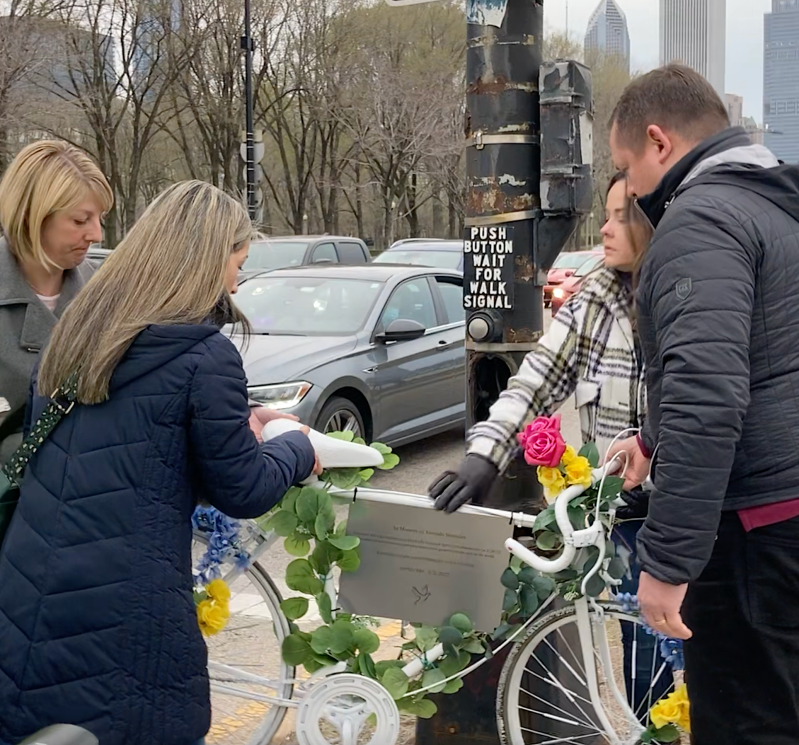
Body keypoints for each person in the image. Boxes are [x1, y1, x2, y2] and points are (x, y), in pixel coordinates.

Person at [0, 180, 321, 745]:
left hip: (30, 597)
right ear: (204, 261)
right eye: (236, 263)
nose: (237, 280)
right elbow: (243, 489)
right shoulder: (203, 354)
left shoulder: (77, 332)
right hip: (126, 621)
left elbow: (124, 434)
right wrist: (295, 444)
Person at [604, 64, 799, 745]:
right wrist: (652, 439)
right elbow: (763, 355)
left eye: (625, 171)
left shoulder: (699, 221)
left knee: (749, 724)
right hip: (785, 512)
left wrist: (667, 562)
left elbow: (706, 394)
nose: (628, 192)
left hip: (752, 535)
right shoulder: (774, 205)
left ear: (658, 142)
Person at [429, 174, 670, 713]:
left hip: (699, 513)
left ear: (654, 222)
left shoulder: (693, 298)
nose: (603, 229)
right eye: (602, 215)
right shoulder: (593, 303)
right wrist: (483, 456)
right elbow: (535, 381)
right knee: (644, 670)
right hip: (625, 515)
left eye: (618, 216)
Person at [0, 140, 112, 461]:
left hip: (90, 495)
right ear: (32, 217)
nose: (96, 235)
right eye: (80, 220)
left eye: (99, 218)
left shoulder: (104, 291)